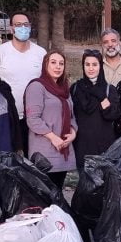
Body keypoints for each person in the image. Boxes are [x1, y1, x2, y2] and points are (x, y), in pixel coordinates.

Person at [0, 12, 46, 154]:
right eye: (18, 25)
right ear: (11, 29)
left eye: (26, 24)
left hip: (34, 118)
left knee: (32, 159)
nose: (23, 28)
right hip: (7, 116)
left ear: (30, 27)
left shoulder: (41, 54)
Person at [24, 50, 77, 188]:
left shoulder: (64, 89)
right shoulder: (36, 86)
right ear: (45, 65)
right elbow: (33, 119)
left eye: (61, 63)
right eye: (53, 62)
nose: (57, 67)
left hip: (63, 149)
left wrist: (73, 133)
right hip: (45, 152)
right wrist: (53, 138)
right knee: (45, 196)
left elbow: (72, 116)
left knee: (57, 193)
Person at [70, 49, 120, 170]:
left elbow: (113, 115)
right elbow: (70, 115)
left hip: (104, 147)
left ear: (100, 66)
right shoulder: (76, 88)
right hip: (81, 146)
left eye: (94, 64)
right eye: (87, 64)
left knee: (103, 185)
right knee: (85, 184)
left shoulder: (109, 90)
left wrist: (101, 96)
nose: (91, 68)